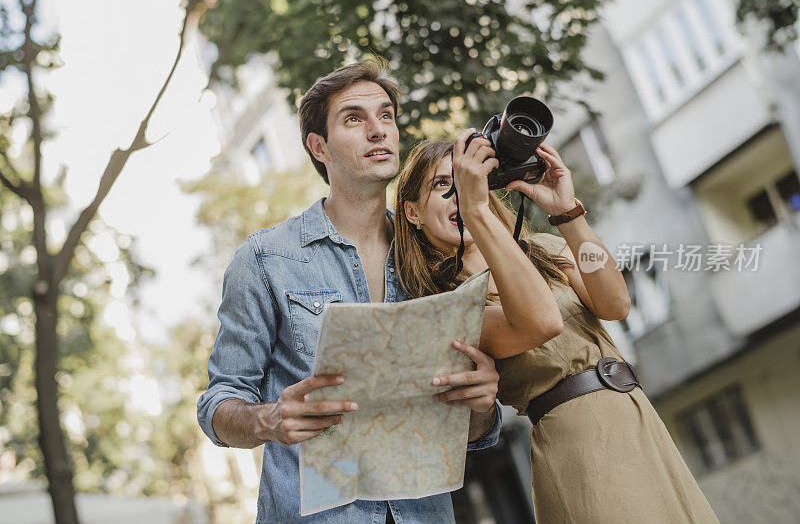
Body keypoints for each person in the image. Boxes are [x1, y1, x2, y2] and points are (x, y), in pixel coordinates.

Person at [196, 60, 503, 524]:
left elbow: (474, 428)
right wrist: (268, 420)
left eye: (386, 116)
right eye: (354, 119)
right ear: (318, 147)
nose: (378, 131)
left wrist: (481, 405)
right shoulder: (264, 259)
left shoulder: (435, 254)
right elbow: (218, 403)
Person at [394, 132, 720, 523]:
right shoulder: (449, 306)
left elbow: (616, 302)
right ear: (413, 213)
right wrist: (477, 210)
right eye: (443, 185)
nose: (460, 194)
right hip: (578, 442)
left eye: (464, 180)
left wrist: (567, 212)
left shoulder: (544, 249)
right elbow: (543, 322)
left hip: (637, 416)